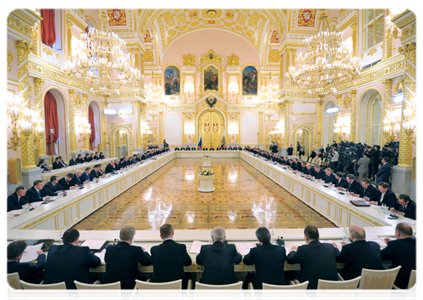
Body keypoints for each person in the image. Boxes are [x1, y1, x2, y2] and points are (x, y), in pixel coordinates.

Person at [43, 228, 101, 300]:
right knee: (95, 278)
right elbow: (96, 262)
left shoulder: (52, 249)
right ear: (77, 240)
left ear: (63, 240)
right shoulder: (82, 251)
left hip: (51, 295)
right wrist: (87, 252)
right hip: (74, 295)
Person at [286, 225, 339, 299]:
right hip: (334, 292)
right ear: (318, 236)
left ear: (306, 237)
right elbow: (336, 251)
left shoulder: (303, 250)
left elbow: (290, 260)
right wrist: (335, 247)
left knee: (289, 274)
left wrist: (293, 250)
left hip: (312, 294)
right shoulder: (330, 247)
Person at [104, 226, 152, 300]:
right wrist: (144, 251)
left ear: (119, 236)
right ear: (132, 238)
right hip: (129, 293)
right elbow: (148, 261)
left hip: (111, 292)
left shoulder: (109, 248)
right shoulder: (136, 250)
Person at [243, 227, 287, 300]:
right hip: (280, 289)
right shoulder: (281, 249)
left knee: (249, 277)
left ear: (258, 239)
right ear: (270, 236)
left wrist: (254, 250)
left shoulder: (255, 251)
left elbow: (246, 261)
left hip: (262, 291)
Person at [151, 224, 192, 298]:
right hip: (178, 292)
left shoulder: (154, 250)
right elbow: (188, 262)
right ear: (173, 232)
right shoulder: (181, 247)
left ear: (161, 236)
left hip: (159, 293)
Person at [381, 223, 420, 290]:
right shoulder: (419, 244)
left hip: (402, 286)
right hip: (418, 287)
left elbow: (381, 256)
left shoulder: (395, 245)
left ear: (398, 233)